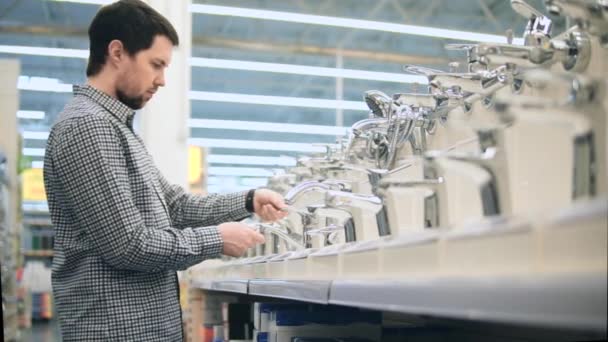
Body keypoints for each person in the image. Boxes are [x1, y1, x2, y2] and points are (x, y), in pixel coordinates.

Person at [42, 0, 288, 340]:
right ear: (117, 52)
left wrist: (249, 200)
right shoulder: (88, 127)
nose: (161, 81)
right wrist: (216, 239)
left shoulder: (118, 129)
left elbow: (175, 206)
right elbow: (128, 244)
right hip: (116, 331)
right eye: (156, 65)